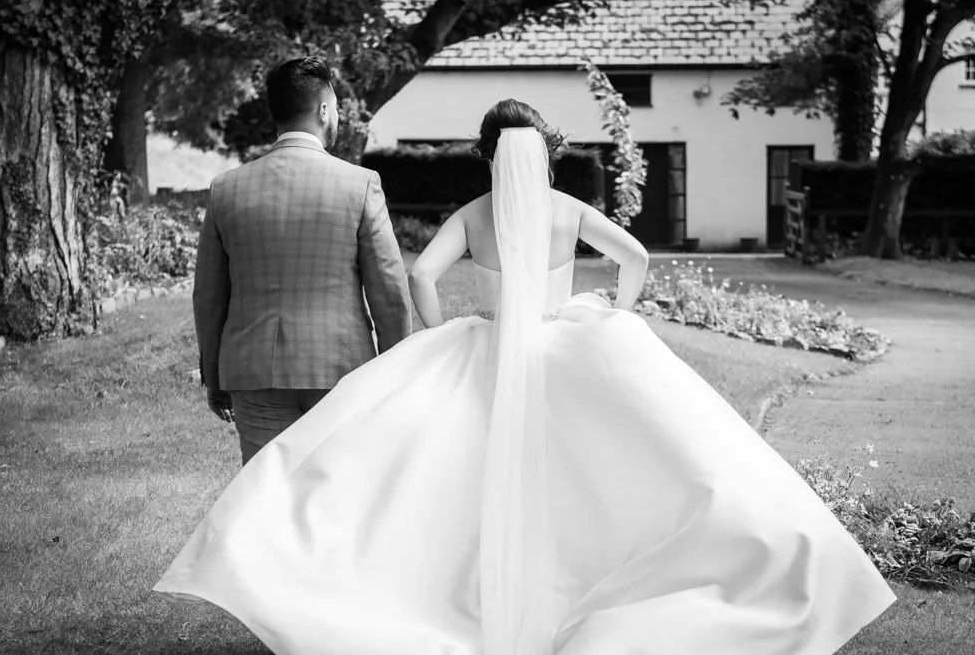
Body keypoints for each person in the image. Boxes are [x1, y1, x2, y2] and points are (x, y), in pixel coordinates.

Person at [155, 99, 896, 654]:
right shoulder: (569, 208)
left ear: (486, 156)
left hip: (487, 349)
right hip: (565, 346)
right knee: (611, 472)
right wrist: (609, 308)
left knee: (451, 480)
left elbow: (420, 271)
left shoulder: (475, 212)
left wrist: (446, 324)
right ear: (543, 153)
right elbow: (636, 256)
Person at [191, 56, 411, 465]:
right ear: (324, 110)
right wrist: (397, 371)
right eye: (338, 108)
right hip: (341, 369)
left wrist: (214, 374)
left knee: (265, 495)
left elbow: (208, 295)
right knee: (338, 492)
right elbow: (389, 291)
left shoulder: (227, 189)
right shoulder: (360, 184)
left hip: (254, 370)